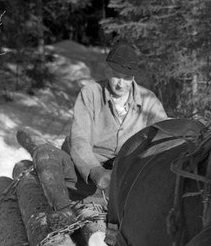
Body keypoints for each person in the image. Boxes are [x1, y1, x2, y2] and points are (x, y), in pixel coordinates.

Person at [63, 41, 166, 200]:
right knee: (64, 179)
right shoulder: (90, 94)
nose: (120, 84)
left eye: (126, 78)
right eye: (115, 76)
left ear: (133, 77)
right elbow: (79, 138)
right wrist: (94, 170)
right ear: (106, 71)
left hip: (128, 170)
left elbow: (163, 133)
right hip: (93, 166)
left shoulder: (148, 100)